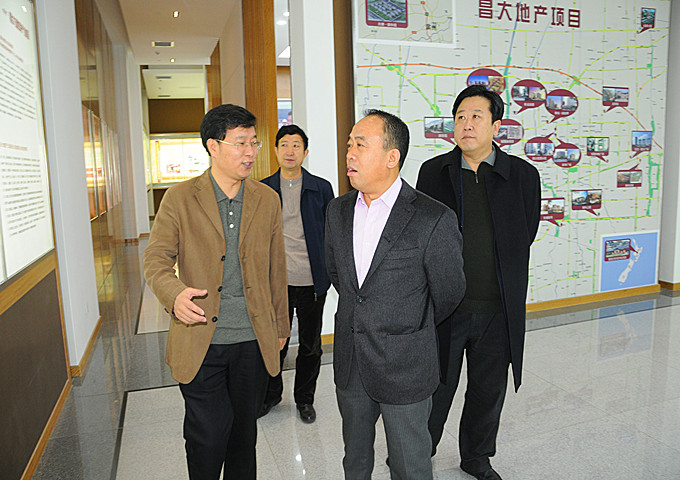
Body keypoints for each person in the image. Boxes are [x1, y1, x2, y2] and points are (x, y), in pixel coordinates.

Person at [143, 104, 289, 480]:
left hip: (252, 340)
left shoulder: (267, 199)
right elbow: (156, 259)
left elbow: (276, 268)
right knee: (207, 437)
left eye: (254, 143)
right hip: (200, 339)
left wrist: (280, 326)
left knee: (243, 436)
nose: (250, 152)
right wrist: (174, 294)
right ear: (213, 146)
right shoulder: (180, 198)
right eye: (240, 143)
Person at [325, 109, 465, 479]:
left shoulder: (432, 217)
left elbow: (449, 292)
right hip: (352, 359)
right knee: (355, 460)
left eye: (360, 145)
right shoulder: (337, 211)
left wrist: (406, 323)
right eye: (349, 145)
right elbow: (340, 277)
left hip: (405, 364)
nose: (350, 154)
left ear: (392, 157)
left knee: (409, 465)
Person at [416, 85, 541, 480]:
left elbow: (526, 231)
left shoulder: (522, 175)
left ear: (496, 126)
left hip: (497, 309)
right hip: (446, 308)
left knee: (488, 391)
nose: (466, 124)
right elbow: (421, 237)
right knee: (434, 389)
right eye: (460, 117)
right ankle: (418, 451)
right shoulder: (434, 172)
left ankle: (476, 457)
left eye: (476, 116)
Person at [259, 124, 334, 423]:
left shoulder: (321, 188)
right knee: (273, 343)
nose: (290, 151)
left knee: (310, 345)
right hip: (275, 282)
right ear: (276, 150)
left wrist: (329, 274)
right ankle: (271, 395)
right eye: (284, 145)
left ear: (305, 151)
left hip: (312, 281)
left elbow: (331, 233)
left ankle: (305, 399)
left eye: (296, 145)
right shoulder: (262, 189)